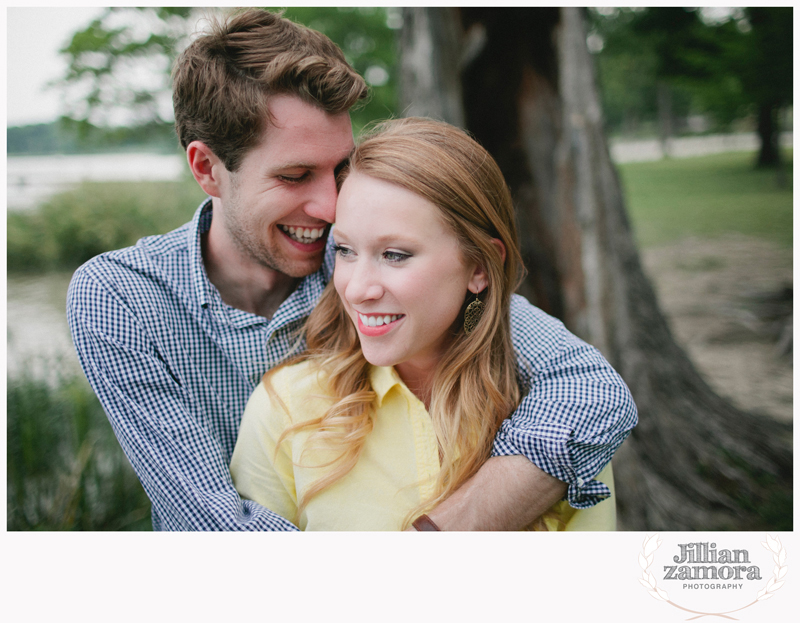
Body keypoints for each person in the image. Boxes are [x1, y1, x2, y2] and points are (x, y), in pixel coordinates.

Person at [67, 8, 636, 531]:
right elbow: (215, 530)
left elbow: (590, 389)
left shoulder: (356, 261)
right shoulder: (121, 298)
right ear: (207, 168)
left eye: (340, 168)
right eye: (294, 176)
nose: (330, 207)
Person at [230, 118, 619, 530]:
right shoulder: (287, 408)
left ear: (479, 268)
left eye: (395, 255)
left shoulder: (558, 424)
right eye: (344, 250)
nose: (358, 289)